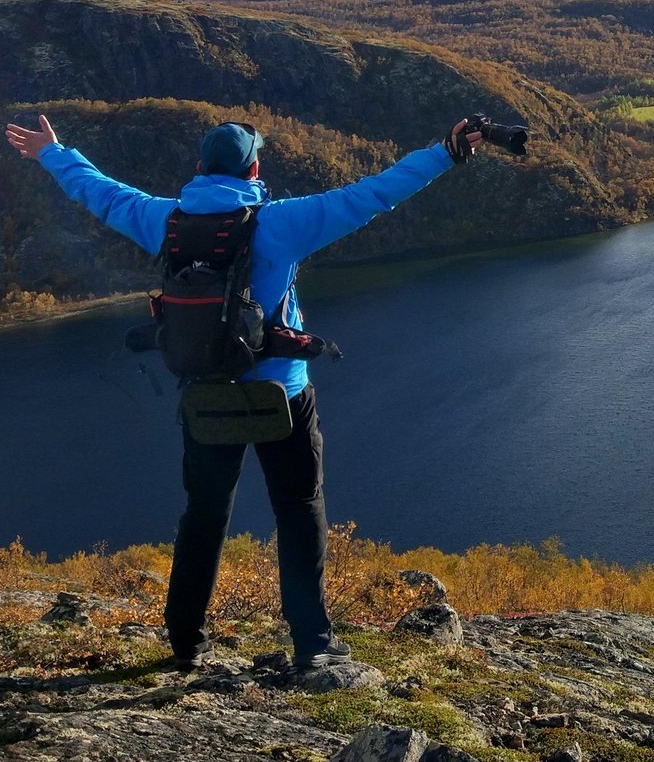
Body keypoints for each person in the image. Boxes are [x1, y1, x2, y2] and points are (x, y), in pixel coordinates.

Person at [5, 112, 482, 672]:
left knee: (204, 514)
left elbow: (103, 194)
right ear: (254, 167)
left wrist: (53, 154)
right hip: (280, 394)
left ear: (200, 169)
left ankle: (186, 641)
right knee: (299, 511)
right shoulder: (283, 223)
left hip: (205, 393)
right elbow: (374, 194)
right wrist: (445, 152)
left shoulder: (166, 221)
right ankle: (312, 641)